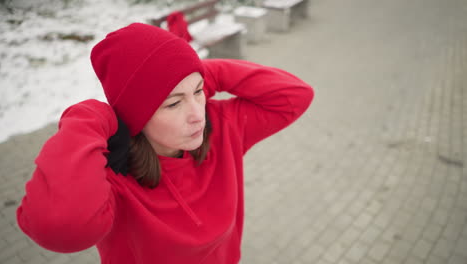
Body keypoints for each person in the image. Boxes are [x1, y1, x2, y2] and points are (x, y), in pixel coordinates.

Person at [16, 23, 314, 264]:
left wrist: (199, 73)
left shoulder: (222, 129)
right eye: (173, 104)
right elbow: (59, 227)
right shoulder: (111, 176)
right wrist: (90, 118)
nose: (198, 115)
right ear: (136, 116)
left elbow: (295, 96)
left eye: (200, 92)